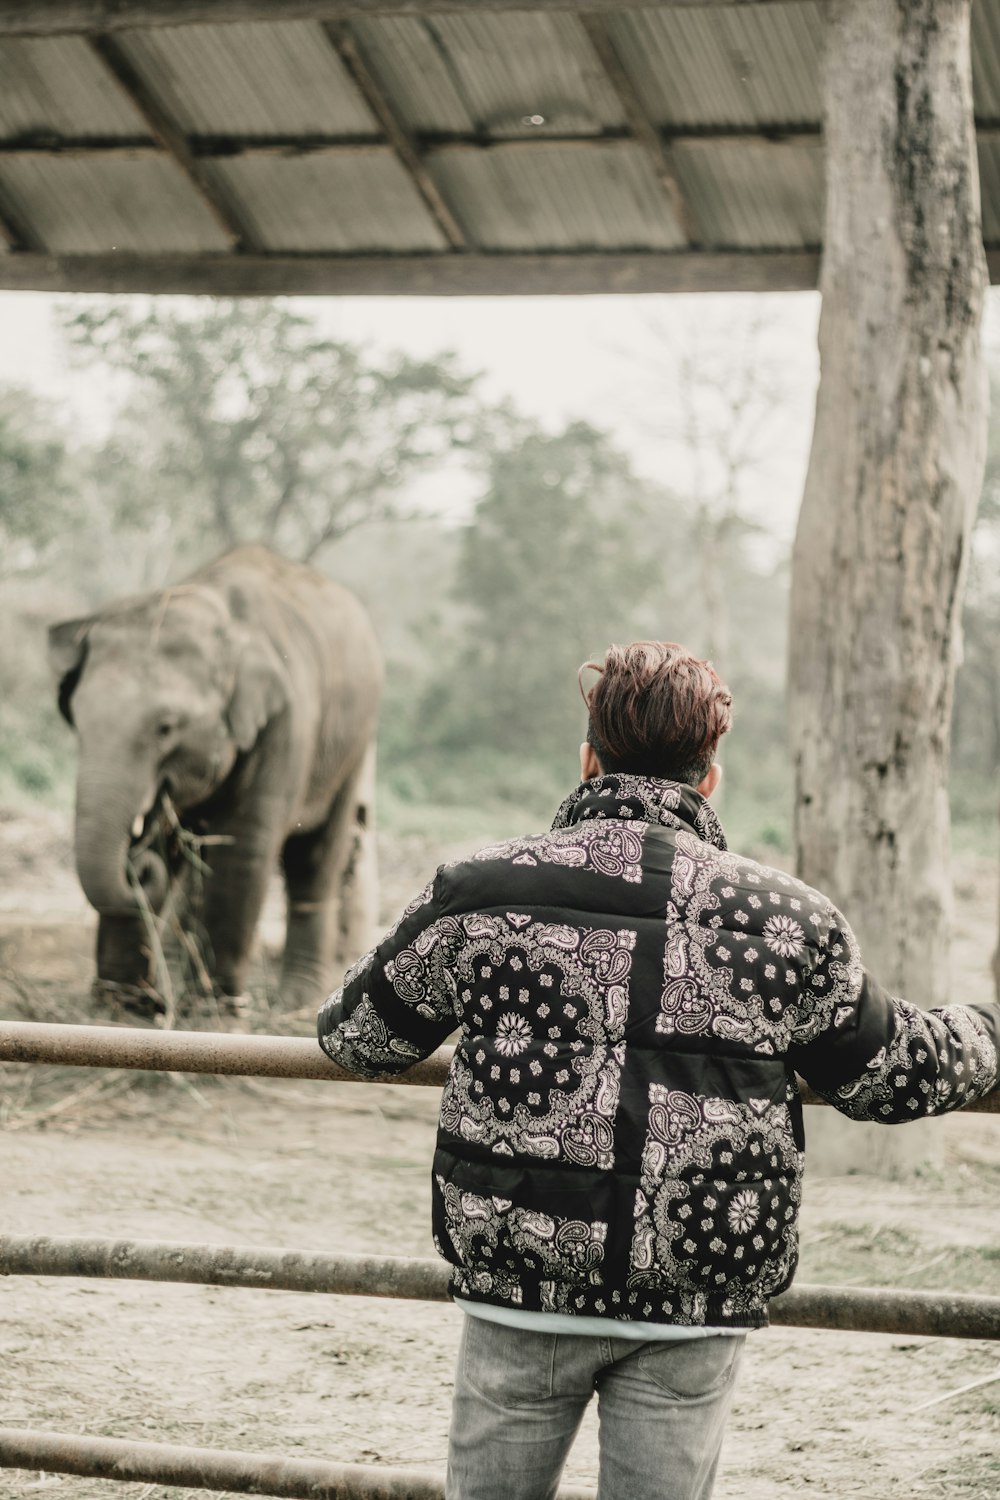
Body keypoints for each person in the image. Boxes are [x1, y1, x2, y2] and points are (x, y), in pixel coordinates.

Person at [317, 641, 1000, 1500]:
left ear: (588, 759)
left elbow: (357, 1038)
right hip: (695, 1295)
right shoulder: (788, 920)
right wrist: (987, 1029)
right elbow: (891, 1073)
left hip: (519, 1287)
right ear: (709, 776)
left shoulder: (481, 889)